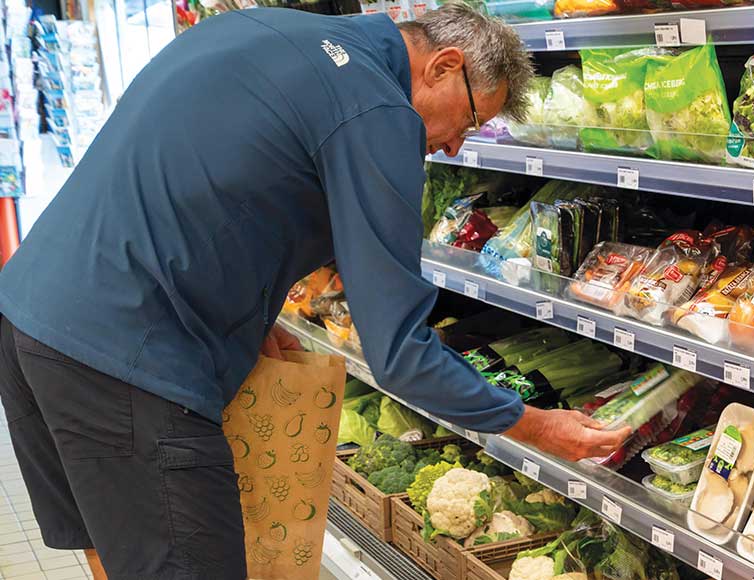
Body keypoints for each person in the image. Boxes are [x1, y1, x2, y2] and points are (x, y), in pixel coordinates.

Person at [0, 4, 632, 579]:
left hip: (30, 314)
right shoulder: (378, 108)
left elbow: (213, 176)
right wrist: (533, 427)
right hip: (128, 356)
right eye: (470, 119)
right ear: (444, 65)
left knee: (112, 554)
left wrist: (249, 310)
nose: (456, 145)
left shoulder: (263, 27)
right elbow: (400, 354)